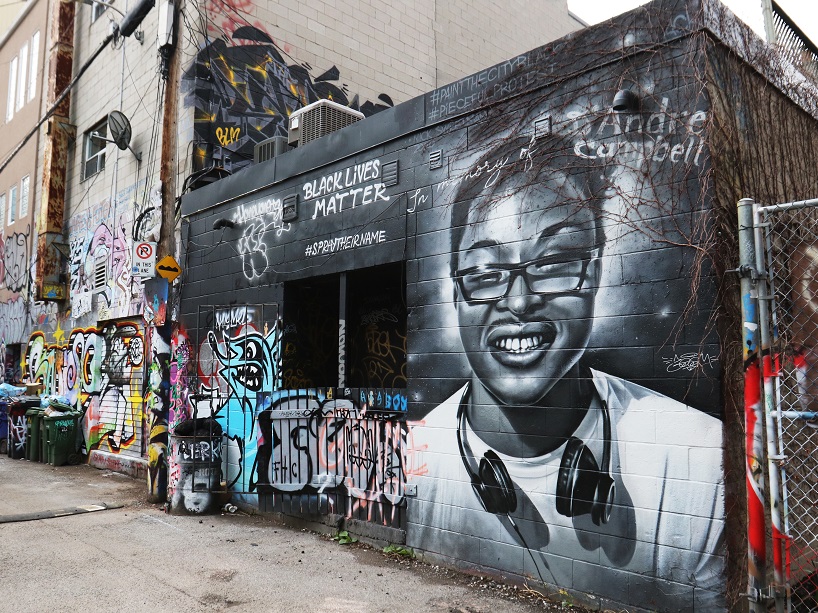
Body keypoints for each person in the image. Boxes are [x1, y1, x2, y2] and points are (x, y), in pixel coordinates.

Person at [408, 136, 724, 611]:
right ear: (455, 296)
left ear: (594, 277)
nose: (518, 302)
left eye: (554, 264)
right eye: (486, 274)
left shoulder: (698, 459)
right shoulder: (414, 460)